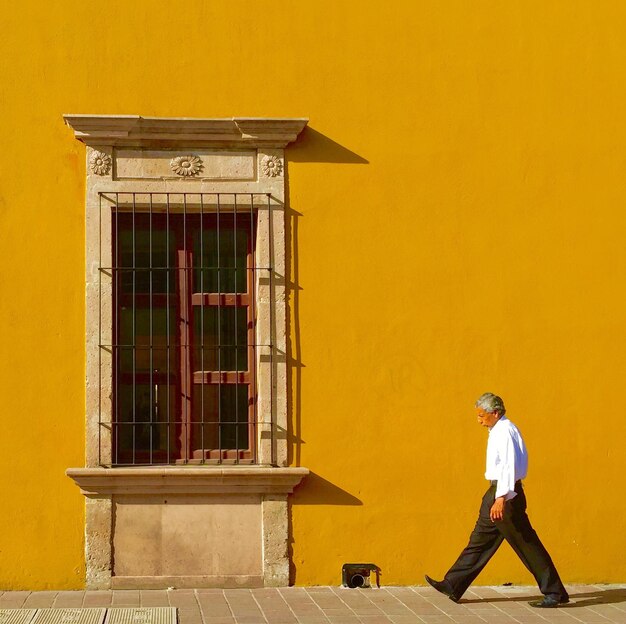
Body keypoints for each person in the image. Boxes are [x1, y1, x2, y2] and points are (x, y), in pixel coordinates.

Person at [425, 393, 569, 609]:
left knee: (526, 544)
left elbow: (508, 466)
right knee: (479, 540)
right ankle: (452, 584)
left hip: (506, 495)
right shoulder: (497, 430)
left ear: (495, 413)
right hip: (495, 491)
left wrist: (501, 498)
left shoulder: (505, 432)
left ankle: (554, 592)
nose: (479, 419)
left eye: (482, 415)